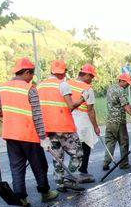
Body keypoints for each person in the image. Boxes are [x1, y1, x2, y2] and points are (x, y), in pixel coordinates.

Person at [0, 57, 59, 207]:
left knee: (17, 167)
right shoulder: (30, 89)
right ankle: (45, 193)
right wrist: (43, 137)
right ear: (27, 73)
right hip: (29, 135)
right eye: (31, 75)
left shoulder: (2, 88)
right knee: (40, 165)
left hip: (10, 134)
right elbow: (37, 115)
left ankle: (21, 199)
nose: (31, 78)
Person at [36, 60, 90, 190]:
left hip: (48, 128)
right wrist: (83, 98)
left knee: (58, 157)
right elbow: (70, 106)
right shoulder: (63, 85)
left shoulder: (40, 86)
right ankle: (70, 179)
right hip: (64, 126)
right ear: (64, 72)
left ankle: (60, 183)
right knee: (77, 153)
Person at [68, 64, 102, 176]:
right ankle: (82, 171)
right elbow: (90, 110)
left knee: (73, 148)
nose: (91, 79)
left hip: (69, 118)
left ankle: (73, 172)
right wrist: (96, 127)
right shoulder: (88, 89)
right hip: (82, 120)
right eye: (91, 77)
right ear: (86, 75)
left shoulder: (68, 84)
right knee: (85, 146)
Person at [104, 73, 131, 171]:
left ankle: (106, 163)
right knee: (124, 142)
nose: (128, 85)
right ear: (122, 81)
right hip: (119, 122)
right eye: (127, 83)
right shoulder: (121, 90)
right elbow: (125, 107)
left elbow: (125, 104)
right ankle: (124, 164)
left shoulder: (110, 88)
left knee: (110, 142)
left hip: (110, 120)